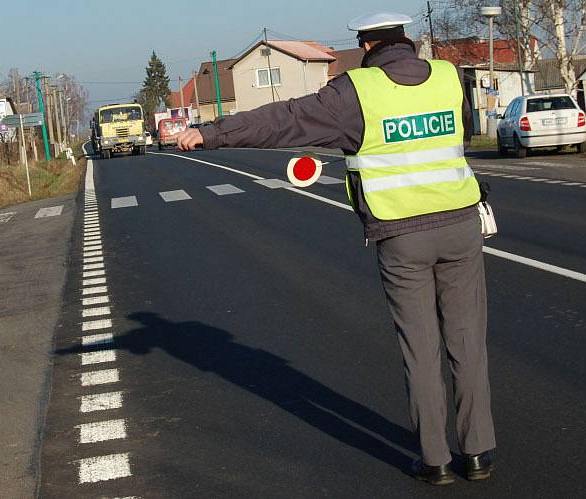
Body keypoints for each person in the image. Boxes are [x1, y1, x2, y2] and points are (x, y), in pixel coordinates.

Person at [177, 11, 496, 486]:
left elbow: (283, 120)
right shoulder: (449, 77)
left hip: (401, 234)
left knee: (421, 348)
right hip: (461, 225)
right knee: (467, 341)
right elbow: (459, 138)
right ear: (405, 41)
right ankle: (477, 453)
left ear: (366, 47)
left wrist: (213, 132)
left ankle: (436, 461)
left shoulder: (357, 91)